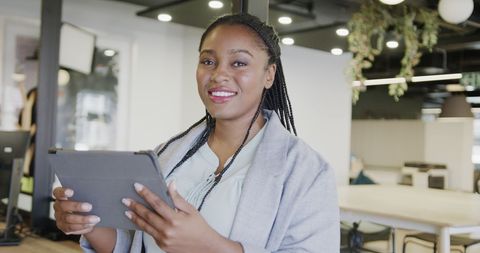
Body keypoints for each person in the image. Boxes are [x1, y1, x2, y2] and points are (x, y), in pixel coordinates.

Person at [52, 13, 339, 252]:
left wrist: (210, 246)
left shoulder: (308, 172)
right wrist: (87, 224)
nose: (218, 74)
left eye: (239, 63)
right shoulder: (167, 154)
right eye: (208, 61)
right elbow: (132, 246)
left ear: (269, 75)